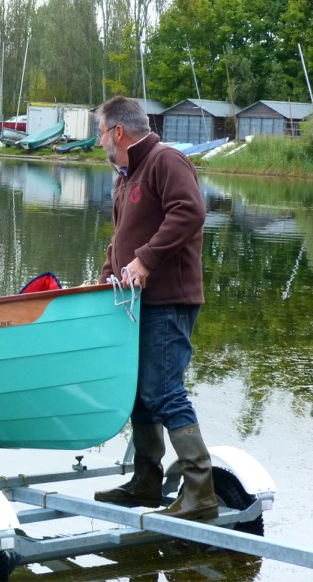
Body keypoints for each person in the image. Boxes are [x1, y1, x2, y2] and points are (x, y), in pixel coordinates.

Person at [93, 95, 218, 521]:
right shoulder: (125, 175)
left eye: (100, 131)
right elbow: (120, 240)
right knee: (139, 394)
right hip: (134, 304)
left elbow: (190, 212)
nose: (98, 140)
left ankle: (200, 492)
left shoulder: (167, 161)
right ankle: (146, 483)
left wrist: (146, 258)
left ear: (118, 132)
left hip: (169, 301)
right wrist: (104, 278)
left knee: (165, 392)